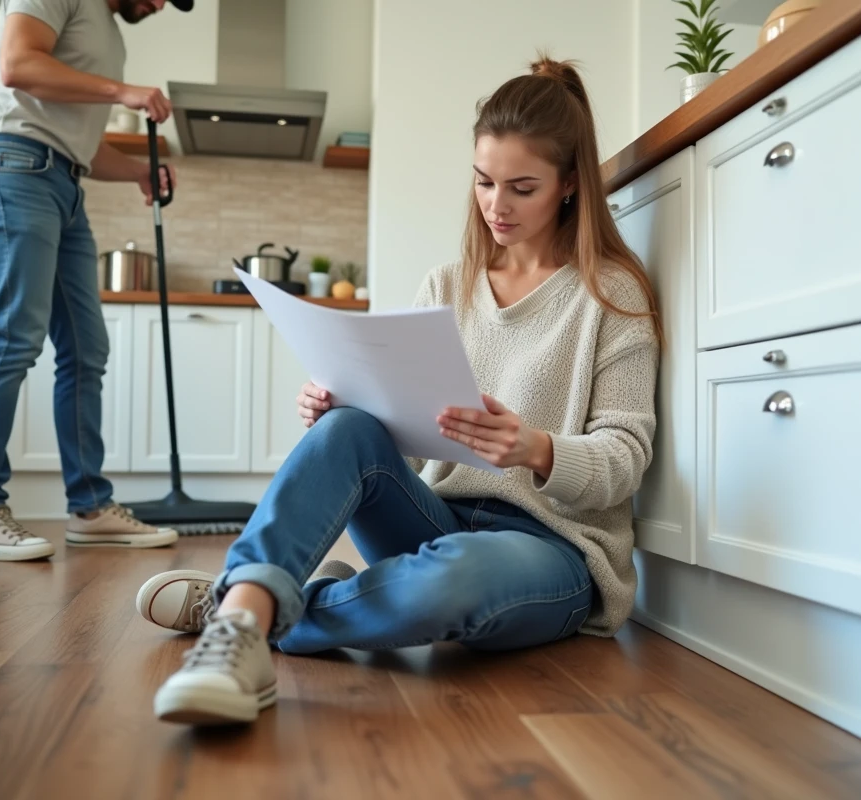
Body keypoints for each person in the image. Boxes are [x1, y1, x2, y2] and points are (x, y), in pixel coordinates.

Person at [136, 55, 663, 725]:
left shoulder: (611, 294)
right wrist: (348, 406)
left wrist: (538, 450)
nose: (496, 207)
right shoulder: (448, 285)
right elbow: (406, 452)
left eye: (521, 188)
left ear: (567, 185)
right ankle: (241, 625)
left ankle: (242, 603)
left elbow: (625, 459)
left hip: (553, 552)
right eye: (483, 182)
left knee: (454, 578)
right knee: (346, 430)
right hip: (434, 522)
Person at [0, 0, 193, 562]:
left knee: (87, 349)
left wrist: (136, 170)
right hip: (11, 165)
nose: (160, 5)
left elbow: (76, 141)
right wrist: (121, 92)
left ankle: (90, 507)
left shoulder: (109, 32)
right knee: (13, 337)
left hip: (63, 181)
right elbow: (17, 64)